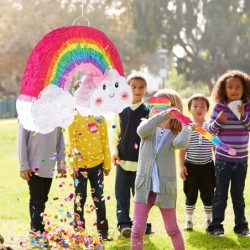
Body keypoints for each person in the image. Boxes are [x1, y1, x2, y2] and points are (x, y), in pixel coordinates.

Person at [131, 89, 193, 250]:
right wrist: (162, 116)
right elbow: (141, 132)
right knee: (137, 229)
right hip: (144, 186)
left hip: (165, 188)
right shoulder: (147, 124)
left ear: (176, 109)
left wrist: (187, 127)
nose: (163, 108)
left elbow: (181, 144)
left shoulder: (175, 133)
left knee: (172, 229)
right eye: (159, 104)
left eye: (167, 106)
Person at [65, 82, 112, 240]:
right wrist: (73, 166)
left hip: (97, 165)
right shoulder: (73, 117)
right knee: (80, 198)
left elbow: (105, 141)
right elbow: (70, 143)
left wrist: (106, 163)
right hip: (80, 167)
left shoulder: (99, 117)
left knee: (99, 197)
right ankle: (79, 231)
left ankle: (103, 230)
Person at [206, 70, 250, 237]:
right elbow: (209, 131)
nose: (234, 90)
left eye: (238, 87)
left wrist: (244, 116)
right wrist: (219, 121)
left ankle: (241, 226)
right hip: (223, 160)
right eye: (230, 87)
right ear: (223, 90)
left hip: (241, 160)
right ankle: (216, 226)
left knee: (238, 195)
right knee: (220, 194)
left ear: (244, 89)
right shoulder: (219, 107)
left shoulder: (247, 106)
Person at [110, 72, 152, 237]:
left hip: (141, 162)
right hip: (122, 161)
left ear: (145, 89)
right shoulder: (120, 110)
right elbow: (114, 133)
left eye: (141, 87)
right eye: (133, 86)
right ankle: (124, 223)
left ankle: (141, 223)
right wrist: (114, 152)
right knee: (121, 194)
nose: (137, 90)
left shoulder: (148, 111)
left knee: (141, 196)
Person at [18, 124, 66, 236]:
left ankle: (37, 229)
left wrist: (61, 164)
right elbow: (21, 141)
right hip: (33, 165)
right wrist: (23, 165)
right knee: (37, 199)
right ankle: (37, 230)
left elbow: (60, 141)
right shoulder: (27, 113)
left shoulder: (56, 115)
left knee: (43, 198)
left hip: (49, 166)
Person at [179, 93, 215, 231]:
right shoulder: (187, 127)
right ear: (190, 109)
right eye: (195, 106)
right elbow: (183, 148)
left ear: (207, 109)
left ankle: (209, 221)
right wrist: (181, 166)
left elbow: (215, 146)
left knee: (208, 194)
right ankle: (188, 221)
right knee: (190, 193)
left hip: (208, 167)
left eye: (202, 106)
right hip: (191, 167)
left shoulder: (210, 127)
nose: (199, 109)